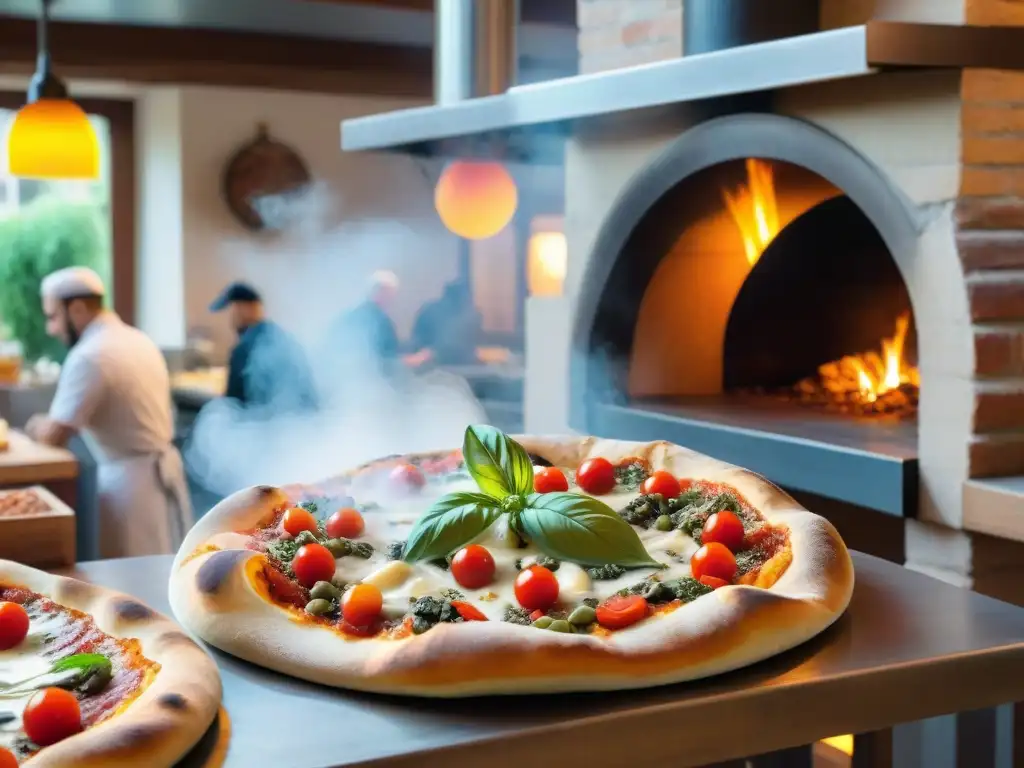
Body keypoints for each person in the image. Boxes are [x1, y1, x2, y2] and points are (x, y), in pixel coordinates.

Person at [25, 266, 193, 558]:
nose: (51, 329)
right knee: (168, 566)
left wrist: (35, 424)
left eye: (53, 316)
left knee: (136, 580)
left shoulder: (90, 355)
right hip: (163, 470)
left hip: (130, 484)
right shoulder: (137, 338)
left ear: (76, 308)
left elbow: (55, 434)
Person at [209, 281, 318, 413]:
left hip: (264, 429)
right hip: (299, 427)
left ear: (244, 309)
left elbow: (233, 408)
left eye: (233, 311)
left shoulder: (244, 349)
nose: (231, 320)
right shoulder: (287, 341)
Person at [407, 280, 483, 367]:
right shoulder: (472, 313)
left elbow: (417, 338)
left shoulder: (429, 309)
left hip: (430, 366)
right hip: (464, 366)